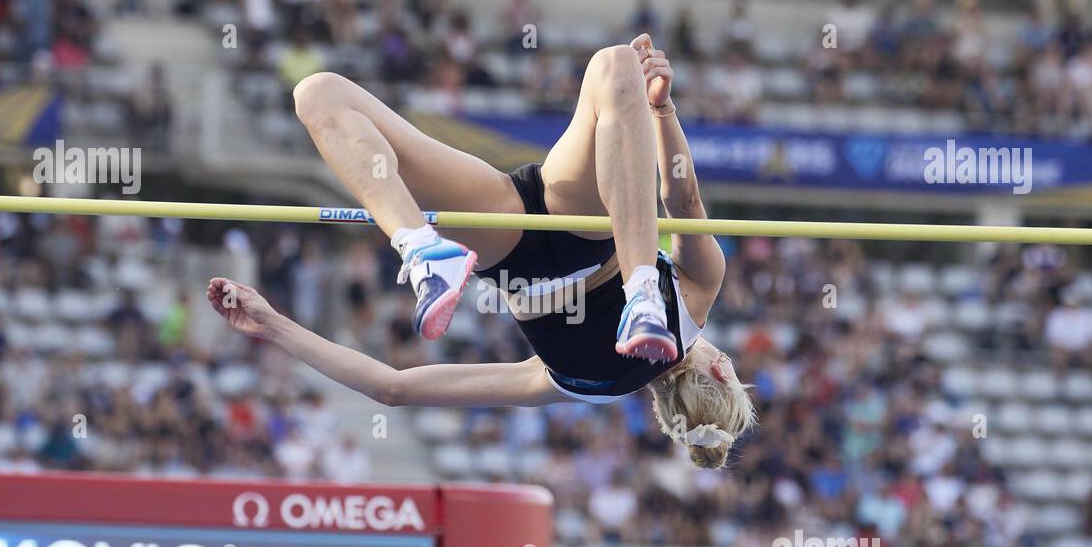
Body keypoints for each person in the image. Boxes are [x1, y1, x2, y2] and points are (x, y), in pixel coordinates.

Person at [207, 35, 755, 468]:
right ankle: (420, 248)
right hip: (509, 246)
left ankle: (639, 288)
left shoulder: (698, 296)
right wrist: (272, 324)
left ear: (724, 372)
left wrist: (662, 109)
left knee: (616, 65)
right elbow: (392, 389)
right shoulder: (575, 389)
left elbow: (681, 194)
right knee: (318, 95)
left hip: (571, 222)